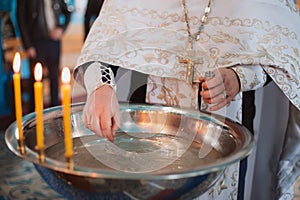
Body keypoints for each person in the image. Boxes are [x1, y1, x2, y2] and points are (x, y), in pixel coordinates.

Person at [73, 0, 300, 199]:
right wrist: (100, 87)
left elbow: (284, 55)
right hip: (149, 122)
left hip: (233, 120)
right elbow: (102, 46)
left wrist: (239, 78)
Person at [16, 0, 71, 112]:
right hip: (36, 43)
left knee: (54, 77)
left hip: (54, 42)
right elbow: (21, 19)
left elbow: (68, 12)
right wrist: (28, 45)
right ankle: (34, 114)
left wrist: (61, 28)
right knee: (36, 80)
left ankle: (55, 111)